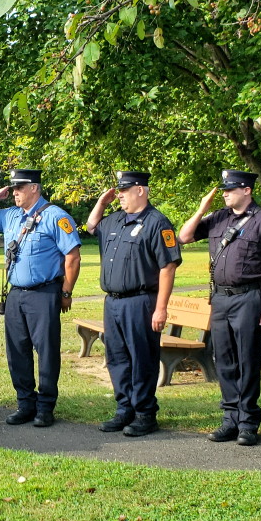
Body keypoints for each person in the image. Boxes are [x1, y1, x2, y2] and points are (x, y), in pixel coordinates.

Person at [178, 170, 261, 446]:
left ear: (247, 190)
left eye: (230, 189)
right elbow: (184, 236)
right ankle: (230, 420)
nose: (224, 193)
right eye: (223, 190)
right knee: (223, 359)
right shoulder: (218, 218)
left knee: (247, 360)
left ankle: (248, 423)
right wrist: (203, 206)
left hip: (249, 298)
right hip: (221, 299)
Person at [0, 169, 81, 428]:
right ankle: (25, 403)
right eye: (12, 188)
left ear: (34, 188)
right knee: (17, 351)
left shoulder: (56, 216)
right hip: (15, 295)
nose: (14, 193)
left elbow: (73, 257)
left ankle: (45, 407)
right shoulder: (11, 215)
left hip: (44, 293)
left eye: (19, 188)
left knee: (46, 351)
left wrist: (66, 292)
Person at [86, 172, 181, 437]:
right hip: (113, 302)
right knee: (116, 358)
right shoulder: (115, 219)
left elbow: (168, 267)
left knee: (142, 358)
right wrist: (103, 203)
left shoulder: (157, 222)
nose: (120, 195)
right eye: (118, 191)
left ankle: (145, 414)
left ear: (141, 190)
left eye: (124, 191)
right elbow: (92, 226)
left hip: (141, 301)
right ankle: (124, 409)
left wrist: (161, 308)